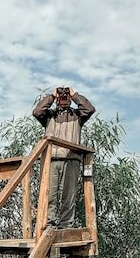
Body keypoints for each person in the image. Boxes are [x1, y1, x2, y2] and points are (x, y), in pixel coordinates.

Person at [32, 86, 95, 228]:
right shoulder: (49, 116)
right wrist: (52, 96)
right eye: (61, 95)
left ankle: (66, 225)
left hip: (71, 159)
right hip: (51, 160)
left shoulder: (77, 115)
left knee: (69, 195)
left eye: (66, 96)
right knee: (50, 194)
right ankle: (49, 225)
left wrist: (75, 95)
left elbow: (90, 109)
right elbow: (37, 112)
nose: (63, 97)